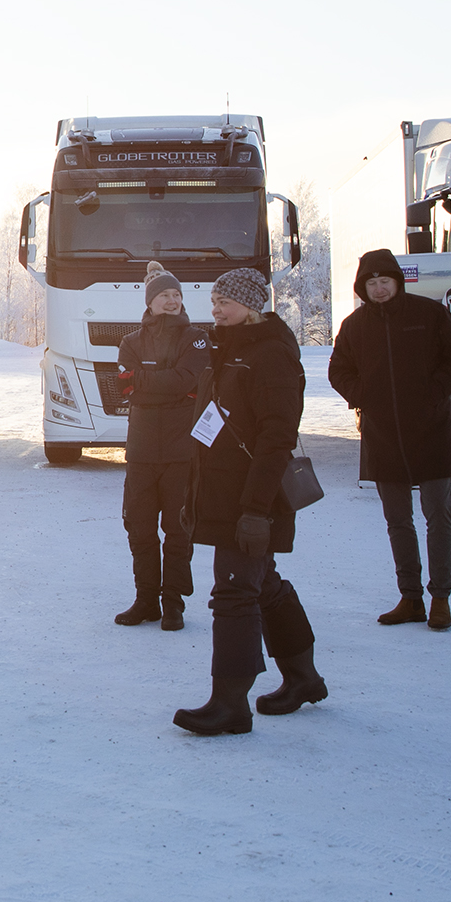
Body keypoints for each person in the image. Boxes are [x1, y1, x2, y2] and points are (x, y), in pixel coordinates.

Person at [173, 267, 326, 735]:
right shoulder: (227, 350)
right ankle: (303, 678)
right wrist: (193, 497)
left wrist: (257, 510)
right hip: (223, 493)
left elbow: (276, 438)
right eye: (214, 300)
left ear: (253, 305)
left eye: (227, 301)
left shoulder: (271, 356)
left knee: (235, 591)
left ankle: (229, 704)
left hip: (251, 498)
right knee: (261, 585)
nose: (216, 309)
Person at [328, 248, 451, 630]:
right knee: (397, 520)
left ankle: (440, 597)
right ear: (363, 287)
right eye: (371, 283)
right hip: (383, 433)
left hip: (431, 430)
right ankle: (410, 598)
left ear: (398, 281)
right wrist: (361, 396)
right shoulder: (355, 325)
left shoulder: (428, 315)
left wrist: (434, 392)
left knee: (439, 515)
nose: (378, 289)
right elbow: (338, 369)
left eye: (384, 281)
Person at [112, 261, 208, 630]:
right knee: (139, 526)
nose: (171, 300)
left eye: (176, 295)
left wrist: (145, 381)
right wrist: (171, 387)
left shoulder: (196, 338)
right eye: (164, 295)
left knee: (178, 528)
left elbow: (192, 379)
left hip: (181, 450)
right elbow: (124, 387)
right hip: (141, 450)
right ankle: (146, 600)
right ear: (150, 302)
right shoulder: (130, 342)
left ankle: (173, 604)